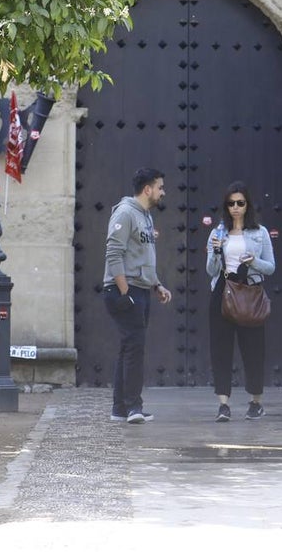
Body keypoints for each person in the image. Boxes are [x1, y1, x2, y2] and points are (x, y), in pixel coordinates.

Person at [102, 167, 172, 424]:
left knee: (128, 348)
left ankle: (120, 408)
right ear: (148, 189)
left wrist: (157, 285)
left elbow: (142, 257)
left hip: (140, 289)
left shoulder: (146, 217)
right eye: (160, 187)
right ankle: (134, 407)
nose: (163, 192)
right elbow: (113, 252)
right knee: (134, 350)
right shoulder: (125, 213)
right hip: (125, 290)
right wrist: (124, 290)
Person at [205, 181, 276, 422]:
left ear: (247, 205)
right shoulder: (217, 232)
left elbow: (271, 267)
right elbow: (210, 270)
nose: (235, 207)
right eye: (231, 203)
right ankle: (223, 404)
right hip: (223, 292)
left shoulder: (260, 233)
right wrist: (216, 252)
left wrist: (253, 261)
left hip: (250, 292)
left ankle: (255, 402)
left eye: (240, 203)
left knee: (253, 350)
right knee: (220, 349)